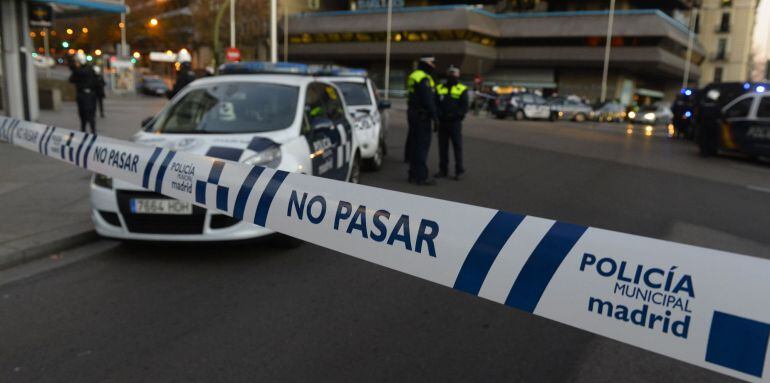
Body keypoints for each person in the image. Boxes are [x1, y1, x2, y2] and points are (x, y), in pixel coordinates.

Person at [406, 56, 439, 186]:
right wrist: (435, 117)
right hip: (422, 117)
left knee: (414, 145)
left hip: (413, 114)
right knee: (422, 146)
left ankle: (413, 174)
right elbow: (428, 100)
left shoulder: (414, 75)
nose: (434, 66)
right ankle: (421, 177)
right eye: (432, 63)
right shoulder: (424, 78)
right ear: (426, 63)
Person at [435, 66, 469, 180]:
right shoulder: (439, 87)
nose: (451, 76)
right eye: (450, 73)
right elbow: (435, 103)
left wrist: (455, 115)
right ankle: (443, 170)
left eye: (454, 74)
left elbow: (464, 107)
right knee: (442, 148)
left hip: (455, 123)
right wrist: (440, 115)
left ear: (458, 75)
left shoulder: (462, 89)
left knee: (457, 147)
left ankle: (459, 170)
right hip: (443, 123)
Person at [69, 51, 98, 133]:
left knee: (86, 113)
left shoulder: (82, 70)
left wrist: (75, 68)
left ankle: (87, 129)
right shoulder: (90, 69)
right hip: (88, 94)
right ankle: (90, 129)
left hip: (85, 95)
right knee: (87, 113)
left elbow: (73, 78)